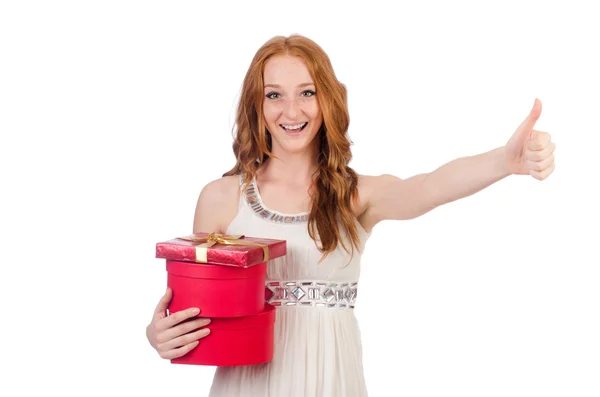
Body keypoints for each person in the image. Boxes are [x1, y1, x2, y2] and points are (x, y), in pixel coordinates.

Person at [145, 34, 556, 396]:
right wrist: (158, 335)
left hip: (334, 382)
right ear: (256, 104)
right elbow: (194, 312)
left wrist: (505, 160)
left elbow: (428, 187)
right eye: (274, 95)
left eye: (306, 92)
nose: (292, 110)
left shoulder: (354, 195)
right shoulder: (220, 198)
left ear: (327, 99)